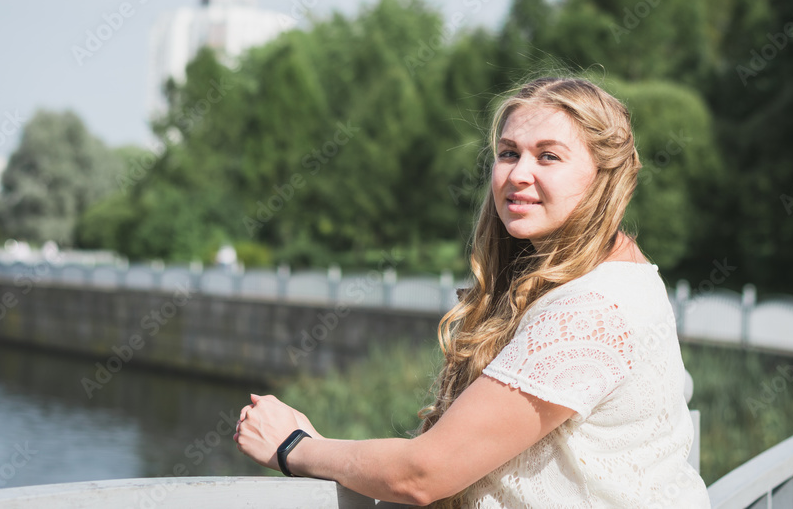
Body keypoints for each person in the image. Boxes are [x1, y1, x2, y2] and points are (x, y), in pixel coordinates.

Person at [234, 76, 711, 508]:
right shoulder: (623, 274)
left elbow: (423, 474)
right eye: (509, 153)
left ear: (604, 175)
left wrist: (295, 446)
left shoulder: (590, 311)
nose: (519, 173)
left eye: (548, 156)